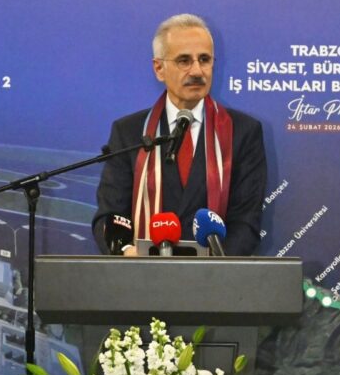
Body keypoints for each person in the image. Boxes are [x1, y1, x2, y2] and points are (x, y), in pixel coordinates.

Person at [92, 14, 267, 256]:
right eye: (184, 60)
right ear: (159, 68)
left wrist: (211, 268)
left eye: (204, 59)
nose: (197, 71)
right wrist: (128, 254)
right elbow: (111, 216)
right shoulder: (128, 133)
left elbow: (246, 222)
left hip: (215, 275)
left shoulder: (244, 132)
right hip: (142, 274)